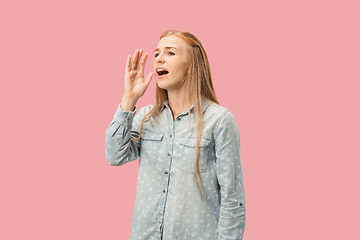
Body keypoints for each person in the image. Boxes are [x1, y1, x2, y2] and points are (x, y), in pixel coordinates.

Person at [105, 30, 246, 240]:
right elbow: (115, 155)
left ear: (191, 66)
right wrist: (129, 98)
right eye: (157, 54)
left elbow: (232, 198)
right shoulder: (145, 116)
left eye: (170, 53)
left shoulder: (219, 120)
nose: (159, 58)